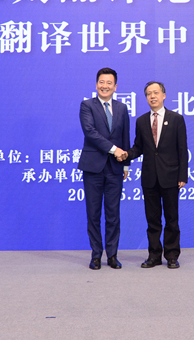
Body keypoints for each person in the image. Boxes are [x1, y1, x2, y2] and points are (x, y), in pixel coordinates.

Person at [121, 81, 188, 269]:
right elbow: (138, 148)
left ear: (163, 95)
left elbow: (182, 149)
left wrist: (182, 175)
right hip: (150, 178)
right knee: (152, 220)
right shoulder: (142, 121)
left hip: (171, 177)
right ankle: (154, 255)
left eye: (156, 93)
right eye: (149, 93)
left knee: (172, 219)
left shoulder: (176, 119)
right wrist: (126, 155)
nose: (152, 96)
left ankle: (172, 255)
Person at [77, 68, 130, 270]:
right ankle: (96, 255)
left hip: (115, 168)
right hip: (93, 168)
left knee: (113, 214)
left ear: (115, 87)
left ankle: (113, 255)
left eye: (109, 83)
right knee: (93, 213)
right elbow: (90, 132)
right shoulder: (87, 105)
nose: (104, 86)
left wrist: (126, 164)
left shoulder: (122, 108)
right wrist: (114, 150)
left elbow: (125, 136)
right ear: (96, 84)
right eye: (101, 82)